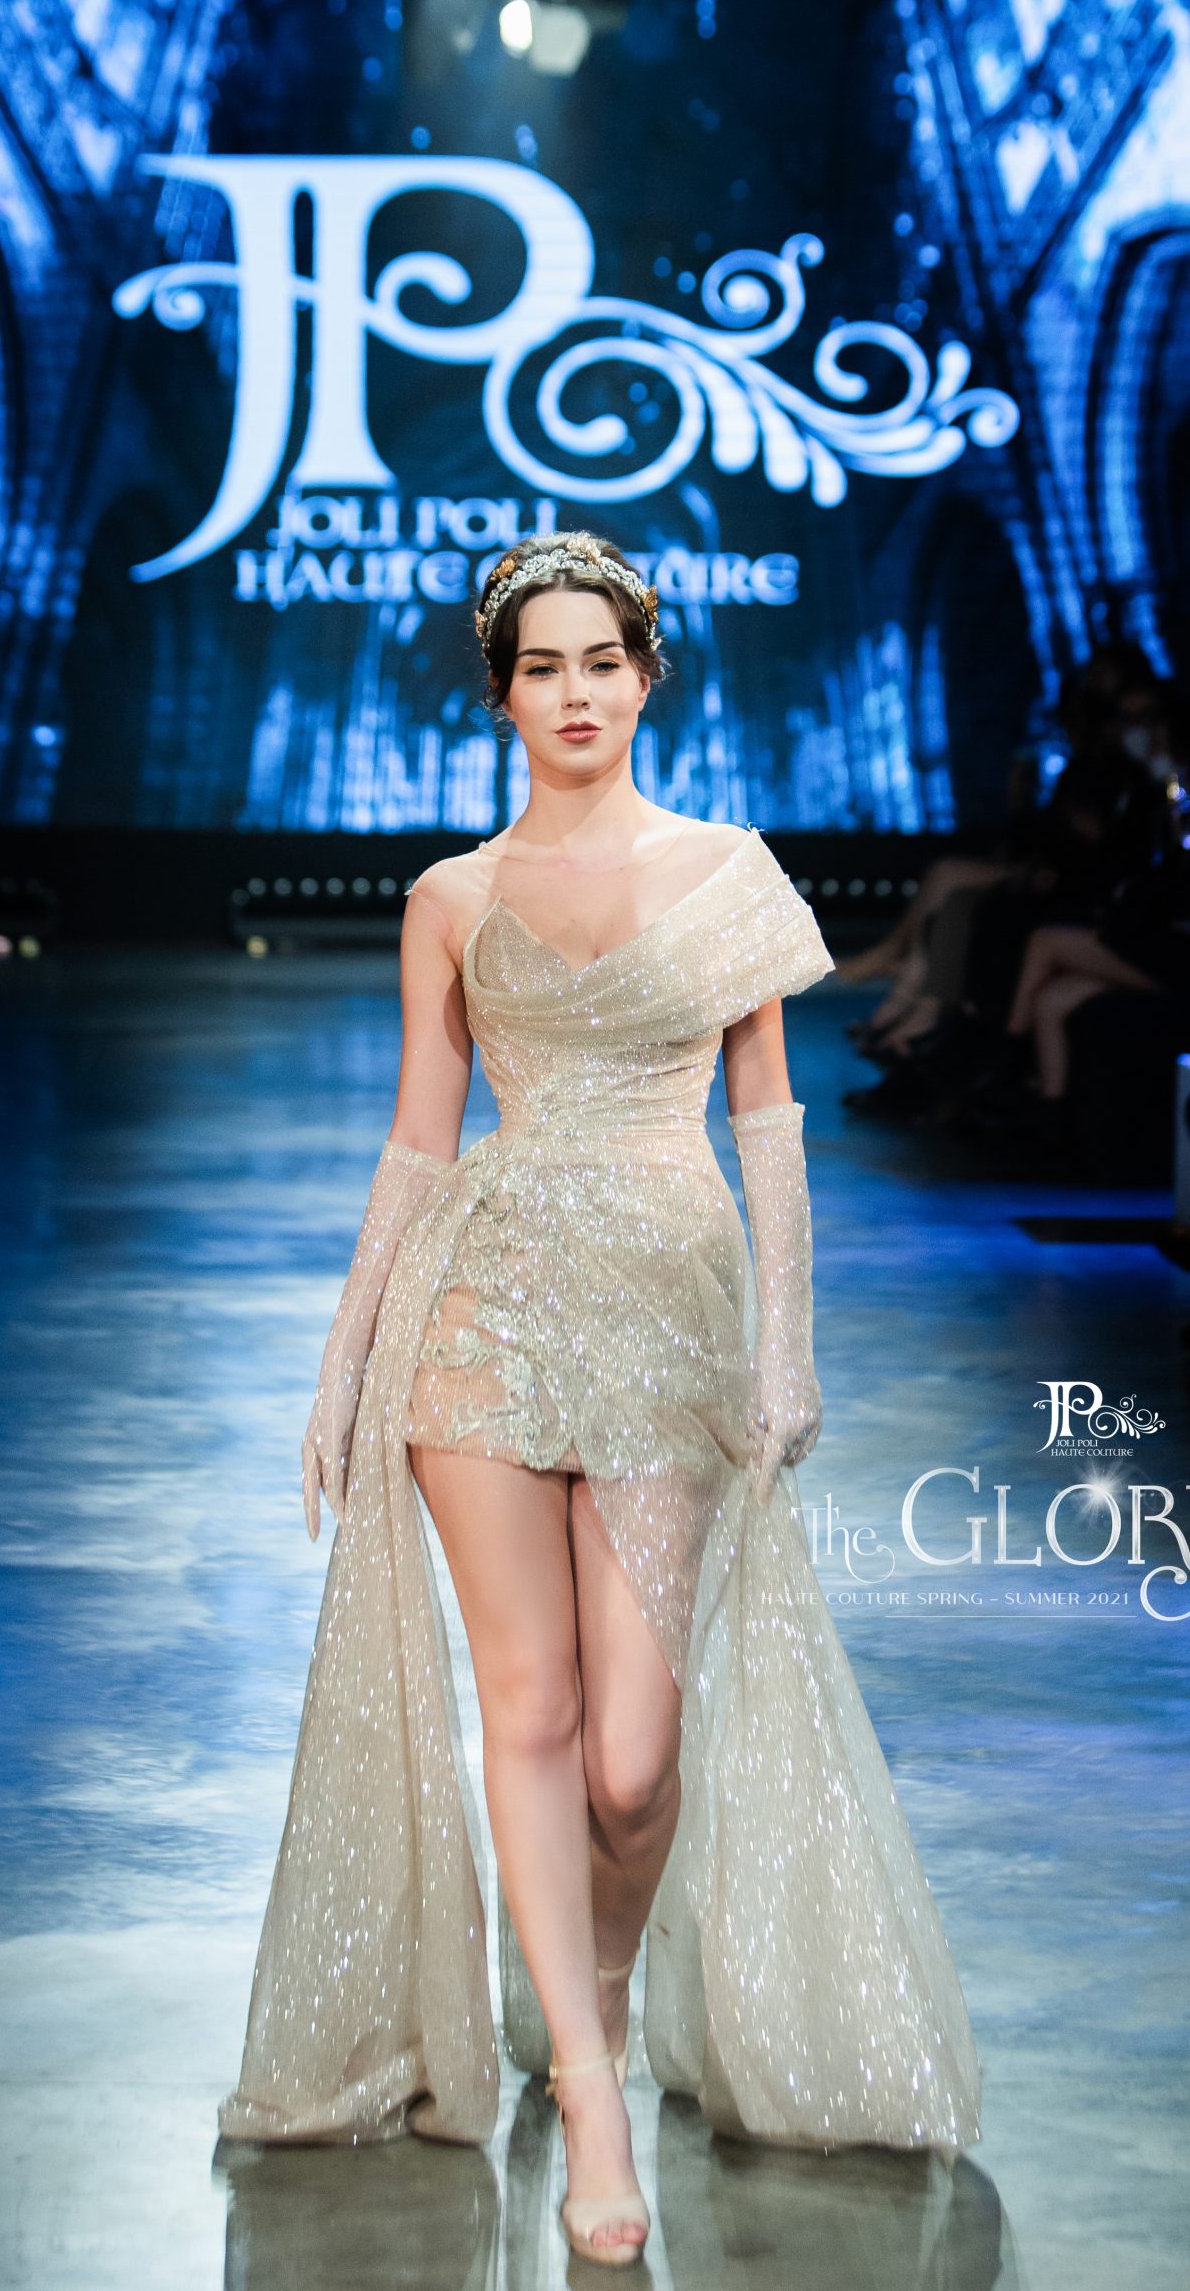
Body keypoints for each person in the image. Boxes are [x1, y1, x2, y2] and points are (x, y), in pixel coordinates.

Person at [218, 532, 982, 2266]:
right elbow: (419, 1144)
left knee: (636, 1763)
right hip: (480, 1305)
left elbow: (769, 1126)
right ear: (502, 698)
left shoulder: (729, 874)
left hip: (668, 1312)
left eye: (602, 663)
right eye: (542, 668)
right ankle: (584, 2090)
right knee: (533, 1707)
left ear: (647, 680)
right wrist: (343, 1363)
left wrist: (789, 1346)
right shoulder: (450, 898)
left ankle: (600, 1977)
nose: (575, 694)